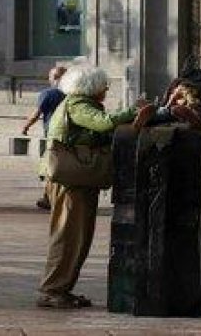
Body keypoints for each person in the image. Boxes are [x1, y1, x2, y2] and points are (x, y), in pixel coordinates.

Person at [36, 65, 143, 310]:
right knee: (68, 237)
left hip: (79, 180)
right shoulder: (78, 104)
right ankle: (52, 289)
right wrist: (133, 111)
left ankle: (62, 288)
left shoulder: (82, 104)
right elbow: (103, 124)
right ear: (91, 87)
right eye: (103, 85)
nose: (106, 89)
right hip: (70, 181)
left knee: (79, 238)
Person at [20, 65, 67, 210]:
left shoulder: (48, 94)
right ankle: (54, 197)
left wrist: (25, 126)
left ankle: (48, 198)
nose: (49, 79)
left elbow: (37, 113)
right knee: (63, 167)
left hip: (53, 137)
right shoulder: (73, 94)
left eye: (50, 76)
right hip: (69, 136)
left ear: (56, 78)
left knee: (49, 168)